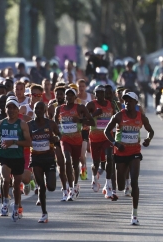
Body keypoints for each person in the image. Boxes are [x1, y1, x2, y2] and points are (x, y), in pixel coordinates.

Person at [104, 91, 155, 225]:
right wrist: (116, 143)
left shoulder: (141, 117)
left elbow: (151, 131)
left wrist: (148, 140)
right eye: (125, 101)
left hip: (135, 153)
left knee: (135, 182)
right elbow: (106, 131)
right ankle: (123, 179)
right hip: (120, 153)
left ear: (136, 103)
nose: (127, 103)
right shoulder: (119, 115)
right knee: (120, 186)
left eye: (130, 101)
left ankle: (134, 214)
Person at [0, 97, 31, 221]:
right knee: (5, 178)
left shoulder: (22, 124)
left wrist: (14, 141)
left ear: (18, 109)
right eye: (9, 107)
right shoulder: (0, 124)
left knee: (16, 184)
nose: (11, 110)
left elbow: (29, 142)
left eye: (14, 107)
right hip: (4, 156)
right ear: (5, 109)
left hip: (18, 156)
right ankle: (4, 203)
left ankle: (16, 206)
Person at [54, 88, 94, 201]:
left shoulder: (80, 108)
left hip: (77, 140)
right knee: (67, 160)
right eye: (67, 95)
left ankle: (75, 184)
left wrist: (80, 120)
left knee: (75, 165)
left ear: (75, 97)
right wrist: (57, 134)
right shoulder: (59, 109)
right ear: (65, 97)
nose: (69, 97)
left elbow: (92, 122)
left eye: (72, 95)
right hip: (65, 140)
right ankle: (70, 189)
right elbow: (54, 124)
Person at [28, 102, 60, 223]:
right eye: (37, 108)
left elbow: (60, 135)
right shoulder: (29, 125)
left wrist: (56, 138)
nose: (39, 110)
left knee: (51, 187)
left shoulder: (50, 124)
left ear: (45, 110)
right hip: (36, 159)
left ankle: (43, 190)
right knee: (41, 187)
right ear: (34, 110)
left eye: (42, 108)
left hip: (49, 158)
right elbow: (25, 138)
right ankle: (44, 213)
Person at [86, 85, 116, 197]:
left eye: (101, 93)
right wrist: (94, 114)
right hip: (95, 138)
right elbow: (84, 119)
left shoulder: (111, 105)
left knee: (109, 158)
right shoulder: (91, 105)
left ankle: (108, 185)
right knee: (96, 163)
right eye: (97, 93)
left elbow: (116, 119)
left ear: (104, 94)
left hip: (107, 137)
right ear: (95, 94)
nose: (99, 95)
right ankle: (94, 178)